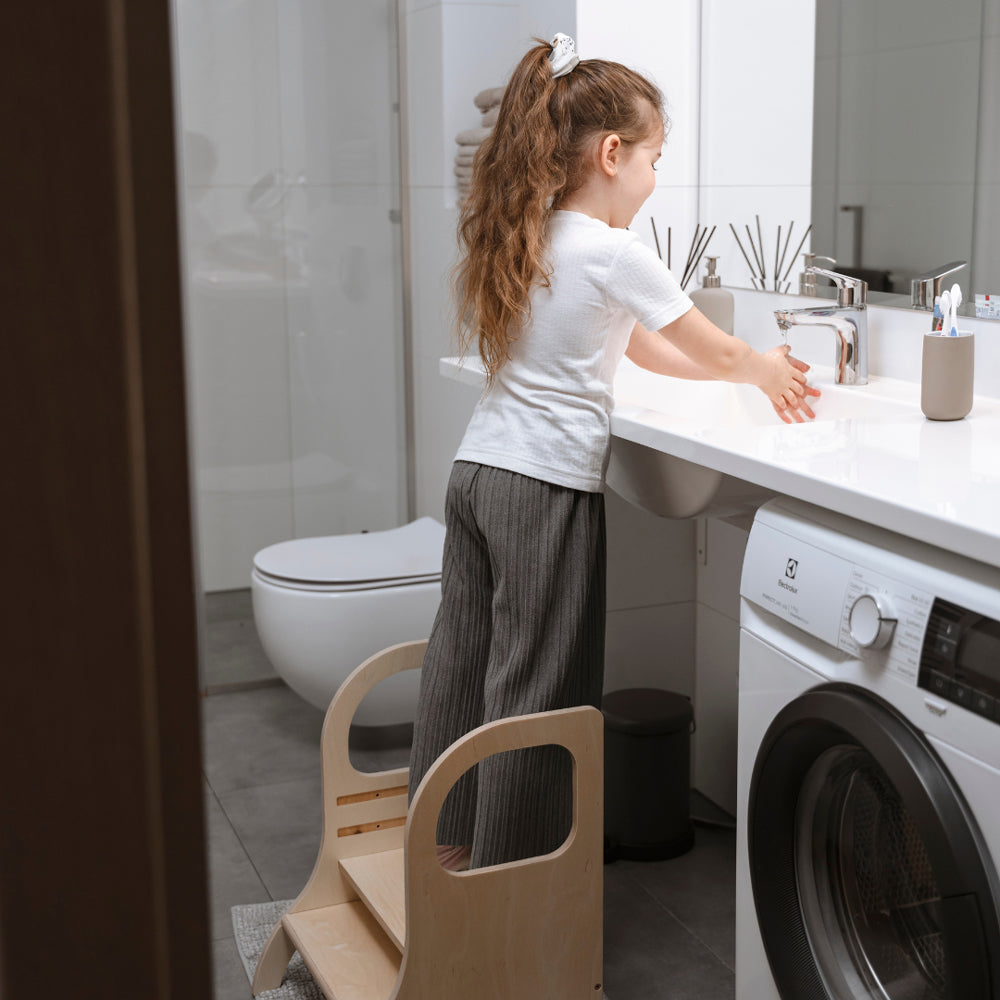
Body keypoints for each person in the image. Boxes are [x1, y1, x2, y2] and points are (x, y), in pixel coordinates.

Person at [407, 33, 819, 872]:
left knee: (463, 660)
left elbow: (638, 349)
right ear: (612, 153)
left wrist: (731, 380)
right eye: (657, 158)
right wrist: (764, 369)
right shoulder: (615, 250)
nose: (657, 179)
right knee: (538, 688)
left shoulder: (538, 232)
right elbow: (714, 344)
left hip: (479, 472)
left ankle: (446, 845)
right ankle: (510, 882)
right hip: (539, 490)